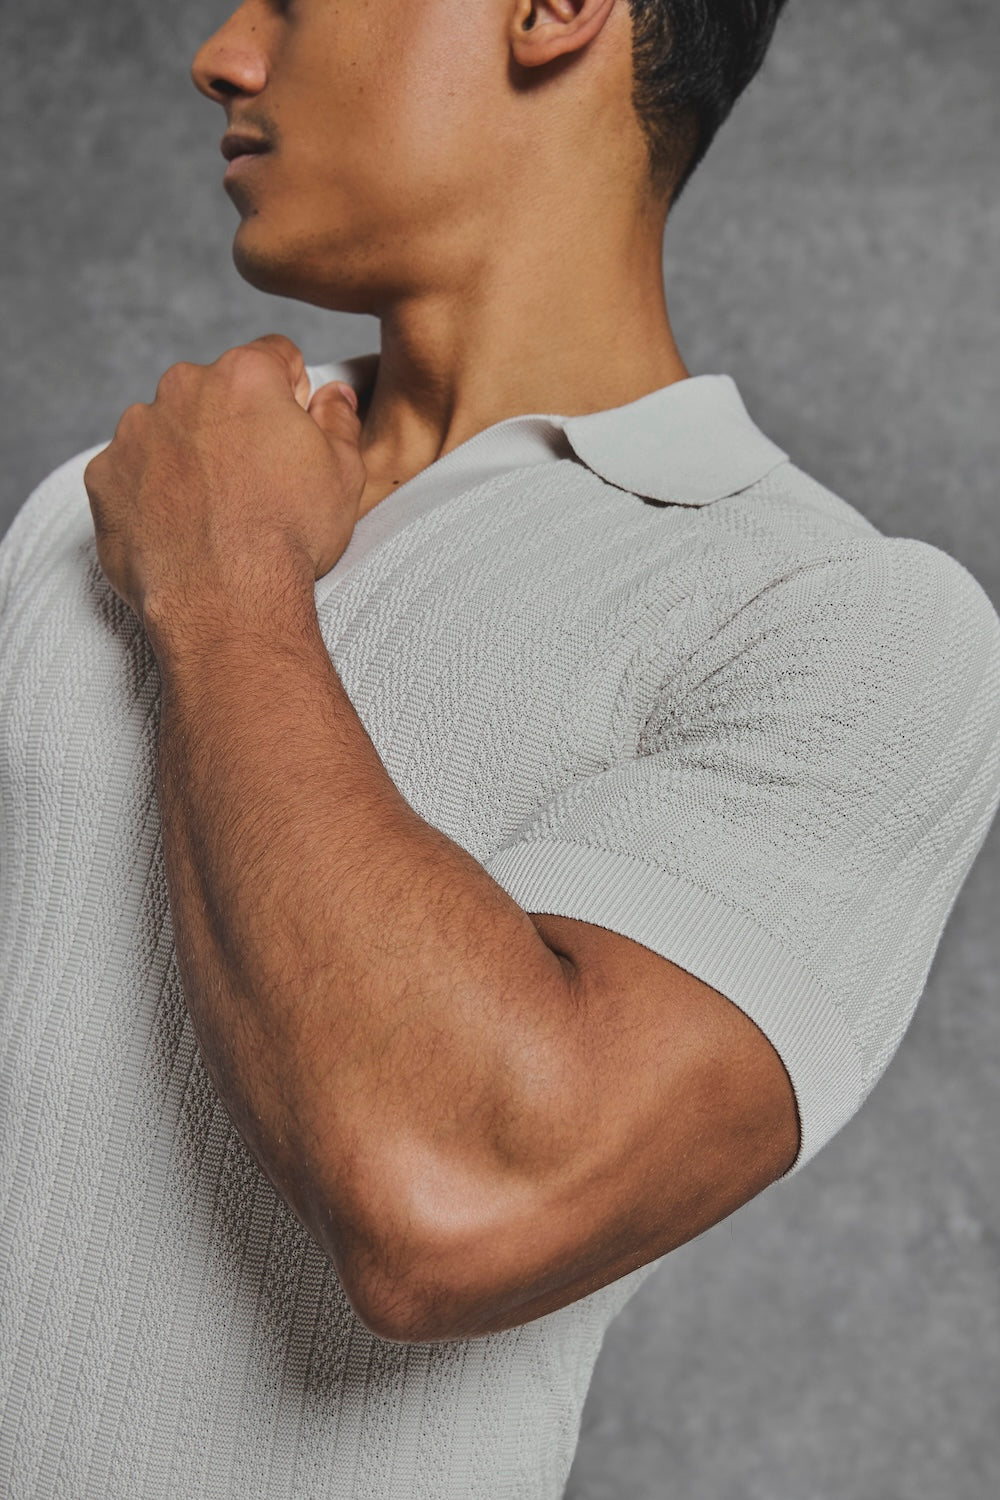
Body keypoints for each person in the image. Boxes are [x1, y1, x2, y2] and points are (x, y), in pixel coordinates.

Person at [2, 1, 998, 1496]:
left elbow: (455, 1197)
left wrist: (226, 592)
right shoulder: (102, 502)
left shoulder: (841, 625)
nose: (223, 52)